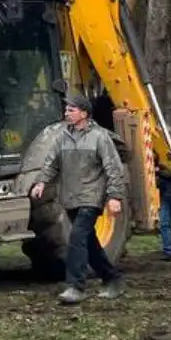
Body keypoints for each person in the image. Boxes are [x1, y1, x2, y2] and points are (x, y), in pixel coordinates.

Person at [22, 98, 129, 304]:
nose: (67, 112)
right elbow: (50, 163)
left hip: (91, 197)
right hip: (70, 197)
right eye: (66, 109)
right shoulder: (62, 137)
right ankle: (112, 278)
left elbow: (114, 169)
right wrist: (41, 182)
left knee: (76, 237)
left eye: (72, 109)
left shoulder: (100, 137)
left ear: (84, 114)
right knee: (89, 242)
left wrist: (115, 196)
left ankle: (76, 286)